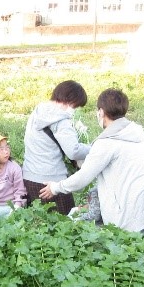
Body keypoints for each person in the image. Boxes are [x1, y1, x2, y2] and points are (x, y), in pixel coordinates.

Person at [39, 89, 144, 234]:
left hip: (137, 207)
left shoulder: (106, 143)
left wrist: (55, 188)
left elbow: (82, 178)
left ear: (101, 112)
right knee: (143, 245)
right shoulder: (135, 131)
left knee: (129, 249)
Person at [23, 80, 91, 215]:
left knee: (38, 226)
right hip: (51, 181)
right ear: (70, 100)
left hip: (29, 177)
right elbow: (73, 151)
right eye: (76, 106)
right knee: (65, 223)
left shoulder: (39, 111)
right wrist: (95, 148)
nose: (75, 110)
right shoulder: (61, 120)